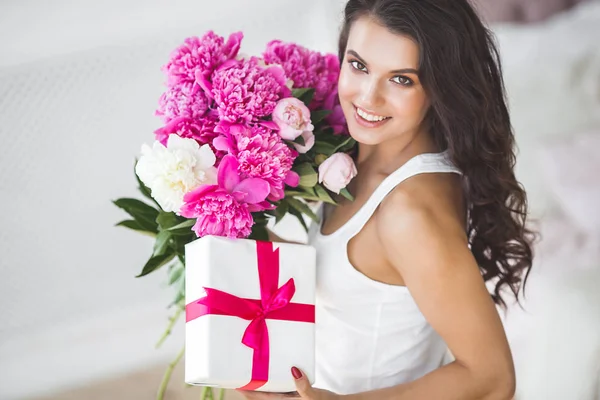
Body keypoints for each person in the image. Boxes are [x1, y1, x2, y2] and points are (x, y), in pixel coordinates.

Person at [240, 0, 535, 398]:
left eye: (402, 79)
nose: (368, 98)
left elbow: (491, 378)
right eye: (359, 65)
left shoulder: (408, 211)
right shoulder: (361, 153)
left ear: (440, 87)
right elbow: (360, 283)